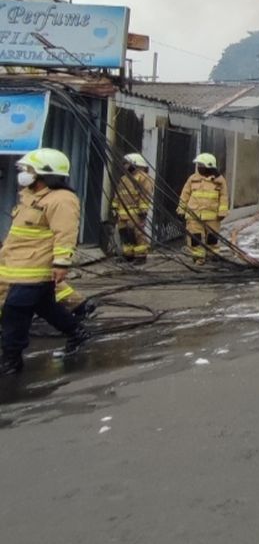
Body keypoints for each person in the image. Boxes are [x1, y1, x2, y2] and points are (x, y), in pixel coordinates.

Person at [0, 148, 91, 375]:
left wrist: (61, 264)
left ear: (44, 173)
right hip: (16, 264)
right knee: (45, 306)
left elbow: (65, 233)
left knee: (15, 309)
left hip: (33, 268)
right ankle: (77, 332)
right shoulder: (30, 196)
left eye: (29, 170)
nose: (24, 174)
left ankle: (12, 359)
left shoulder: (62, 200)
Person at [177, 153, 228, 265]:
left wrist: (222, 212)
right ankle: (198, 257)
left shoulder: (219, 180)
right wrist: (181, 209)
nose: (199, 167)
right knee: (195, 238)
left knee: (212, 238)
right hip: (194, 214)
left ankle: (212, 256)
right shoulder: (193, 179)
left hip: (213, 216)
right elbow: (185, 194)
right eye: (198, 165)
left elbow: (224, 197)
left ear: (209, 166)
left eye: (201, 165)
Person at [113, 152, 154, 263]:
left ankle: (140, 256)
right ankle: (128, 254)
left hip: (135, 213)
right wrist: (114, 207)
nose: (125, 166)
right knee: (125, 234)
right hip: (122, 214)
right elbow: (118, 194)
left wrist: (143, 210)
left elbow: (145, 195)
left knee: (137, 234)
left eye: (127, 164)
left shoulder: (143, 178)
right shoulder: (124, 179)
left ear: (134, 164)